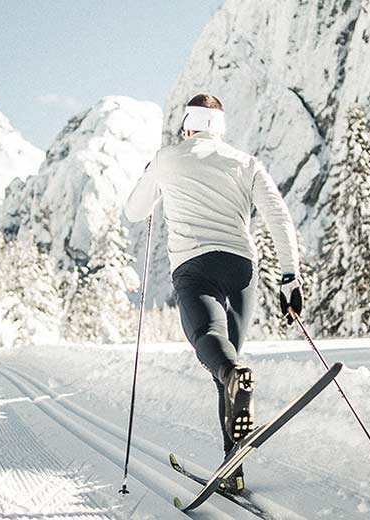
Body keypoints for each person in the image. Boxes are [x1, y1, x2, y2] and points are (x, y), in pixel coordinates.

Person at [123, 93, 304, 494]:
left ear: (187, 125)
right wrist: (290, 277)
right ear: (220, 129)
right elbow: (278, 216)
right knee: (230, 365)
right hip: (241, 268)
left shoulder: (168, 157)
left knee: (214, 349)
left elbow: (135, 210)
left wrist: (152, 173)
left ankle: (232, 417)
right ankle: (232, 466)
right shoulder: (245, 163)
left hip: (195, 267)